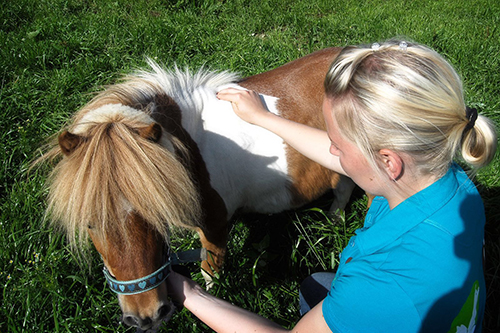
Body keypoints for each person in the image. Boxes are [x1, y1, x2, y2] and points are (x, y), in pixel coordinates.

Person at [166, 40, 497, 332]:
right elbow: (346, 158)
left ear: (387, 162)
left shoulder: (381, 286)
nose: (331, 150)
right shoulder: (458, 189)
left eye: (338, 144)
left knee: (312, 288)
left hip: (378, 302)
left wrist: (190, 293)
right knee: (316, 285)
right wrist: (264, 118)